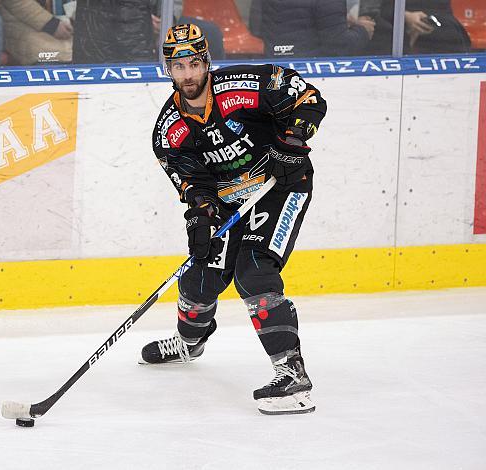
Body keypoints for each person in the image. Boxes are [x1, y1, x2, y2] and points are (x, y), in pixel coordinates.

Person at [141, 24, 327, 415]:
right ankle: (190, 342)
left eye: (194, 64)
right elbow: (193, 184)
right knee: (200, 274)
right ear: (167, 70)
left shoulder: (245, 85)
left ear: (207, 62)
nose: (188, 75)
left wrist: (291, 144)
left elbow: (309, 99)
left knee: (254, 272)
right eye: (178, 67)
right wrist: (201, 219)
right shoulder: (168, 131)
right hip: (230, 203)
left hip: (280, 186)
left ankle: (292, 376)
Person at [262, 0, 375, 57]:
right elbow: (338, 45)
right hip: (310, 67)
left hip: (273, 64)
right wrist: (363, 30)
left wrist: (338, 20)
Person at [368, 0, 471, 54]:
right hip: (394, 27)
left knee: (453, 35)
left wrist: (429, 20)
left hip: (435, 28)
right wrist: (404, 15)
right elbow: (379, 9)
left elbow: (444, 10)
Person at [0, 0, 73, 65]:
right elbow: (16, 2)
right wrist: (50, 24)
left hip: (53, 22)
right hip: (17, 23)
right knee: (56, 54)